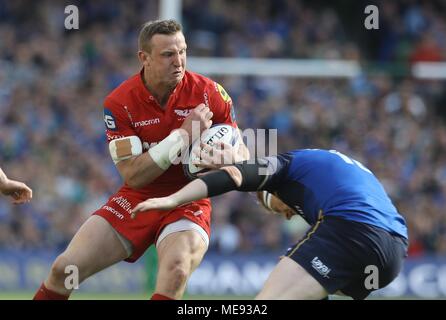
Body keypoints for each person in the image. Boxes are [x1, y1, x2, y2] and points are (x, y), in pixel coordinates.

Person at [33, 19, 248, 300]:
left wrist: (231, 157)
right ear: (143, 58)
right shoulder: (119, 103)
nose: (179, 61)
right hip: (138, 197)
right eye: (168, 54)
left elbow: (242, 153)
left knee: (177, 270)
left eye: (182, 51)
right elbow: (133, 175)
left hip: (188, 200)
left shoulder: (209, 93)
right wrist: (182, 136)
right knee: (64, 270)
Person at [132, 148, 409, 300]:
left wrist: (174, 198)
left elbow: (233, 177)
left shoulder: (287, 166)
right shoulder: (334, 169)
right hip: (392, 254)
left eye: (274, 208)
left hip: (352, 231)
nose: (287, 215)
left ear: (274, 192)